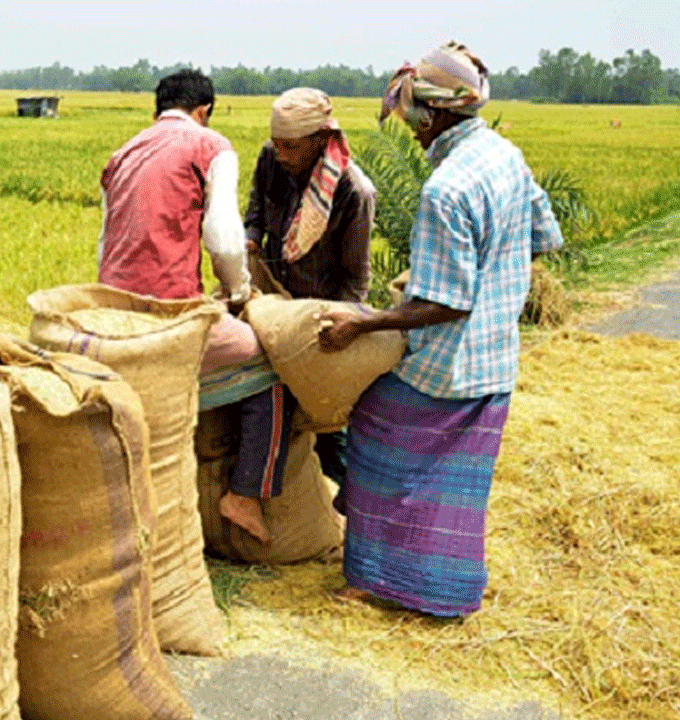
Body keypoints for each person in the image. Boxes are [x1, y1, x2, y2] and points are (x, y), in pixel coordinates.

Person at [317, 41, 564, 616]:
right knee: (455, 482)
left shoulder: (445, 189)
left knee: (373, 433)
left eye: (416, 120)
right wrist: (482, 270)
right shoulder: (505, 155)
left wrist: (364, 321)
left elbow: (447, 305)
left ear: (442, 113)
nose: (413, 131)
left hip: (447, 365)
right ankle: (440, 588)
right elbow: (542, 234)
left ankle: (374, 579)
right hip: (495, 356)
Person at [99, 69, 291, 543]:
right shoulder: (210, 146)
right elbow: (224, 238)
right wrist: (241, 291)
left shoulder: (120, 154)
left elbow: (107, 241)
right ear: (204, 111)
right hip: (169, 315)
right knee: (273, 365)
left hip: (113, 312)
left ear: (156, 110)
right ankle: (245, 494)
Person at [244, 87, 376, 506]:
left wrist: (338, 327)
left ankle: (355, 498)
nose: (281, 155)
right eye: (277, 145)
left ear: (321, 140)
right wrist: (248, 240)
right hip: (272, 297)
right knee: (267, 396)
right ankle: (282, 490)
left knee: (324, 415)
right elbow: (255, 215)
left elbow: (356, 279)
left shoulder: (353, 192)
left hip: (317, 311)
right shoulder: (271, 159)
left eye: (291, 148)